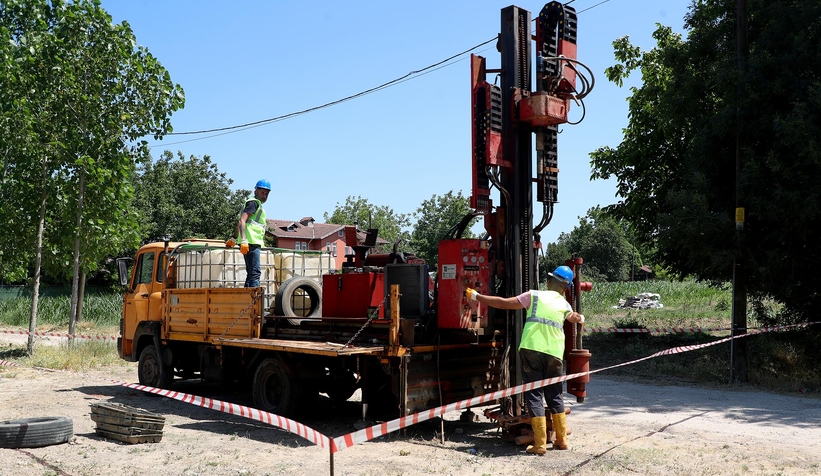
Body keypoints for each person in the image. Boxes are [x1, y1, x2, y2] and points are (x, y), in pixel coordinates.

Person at [465, 265, 584, 454]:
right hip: (554, 353)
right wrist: (579, 317)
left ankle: (540, 445)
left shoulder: (534, 296)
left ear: (548, 282)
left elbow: (503, 303)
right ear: (566, 288)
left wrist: (476, 297)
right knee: (554, 395)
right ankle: (561, 441)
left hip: (532, 350)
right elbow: (573, 318)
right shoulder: (565, 304)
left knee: (534, 394)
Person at [226, 179, 271, 288]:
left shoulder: (253, 203)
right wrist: (244, 240)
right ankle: (254, 301)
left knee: (251, 273)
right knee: (255, 273)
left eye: (266, 193)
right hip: (251, 242)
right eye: (262, 192)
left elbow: (240, 222)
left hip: (248, 243)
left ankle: (247, 299)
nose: (264, 196)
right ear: (256, 191)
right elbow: (242, 221)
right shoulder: (254, 203)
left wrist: (234, 238)